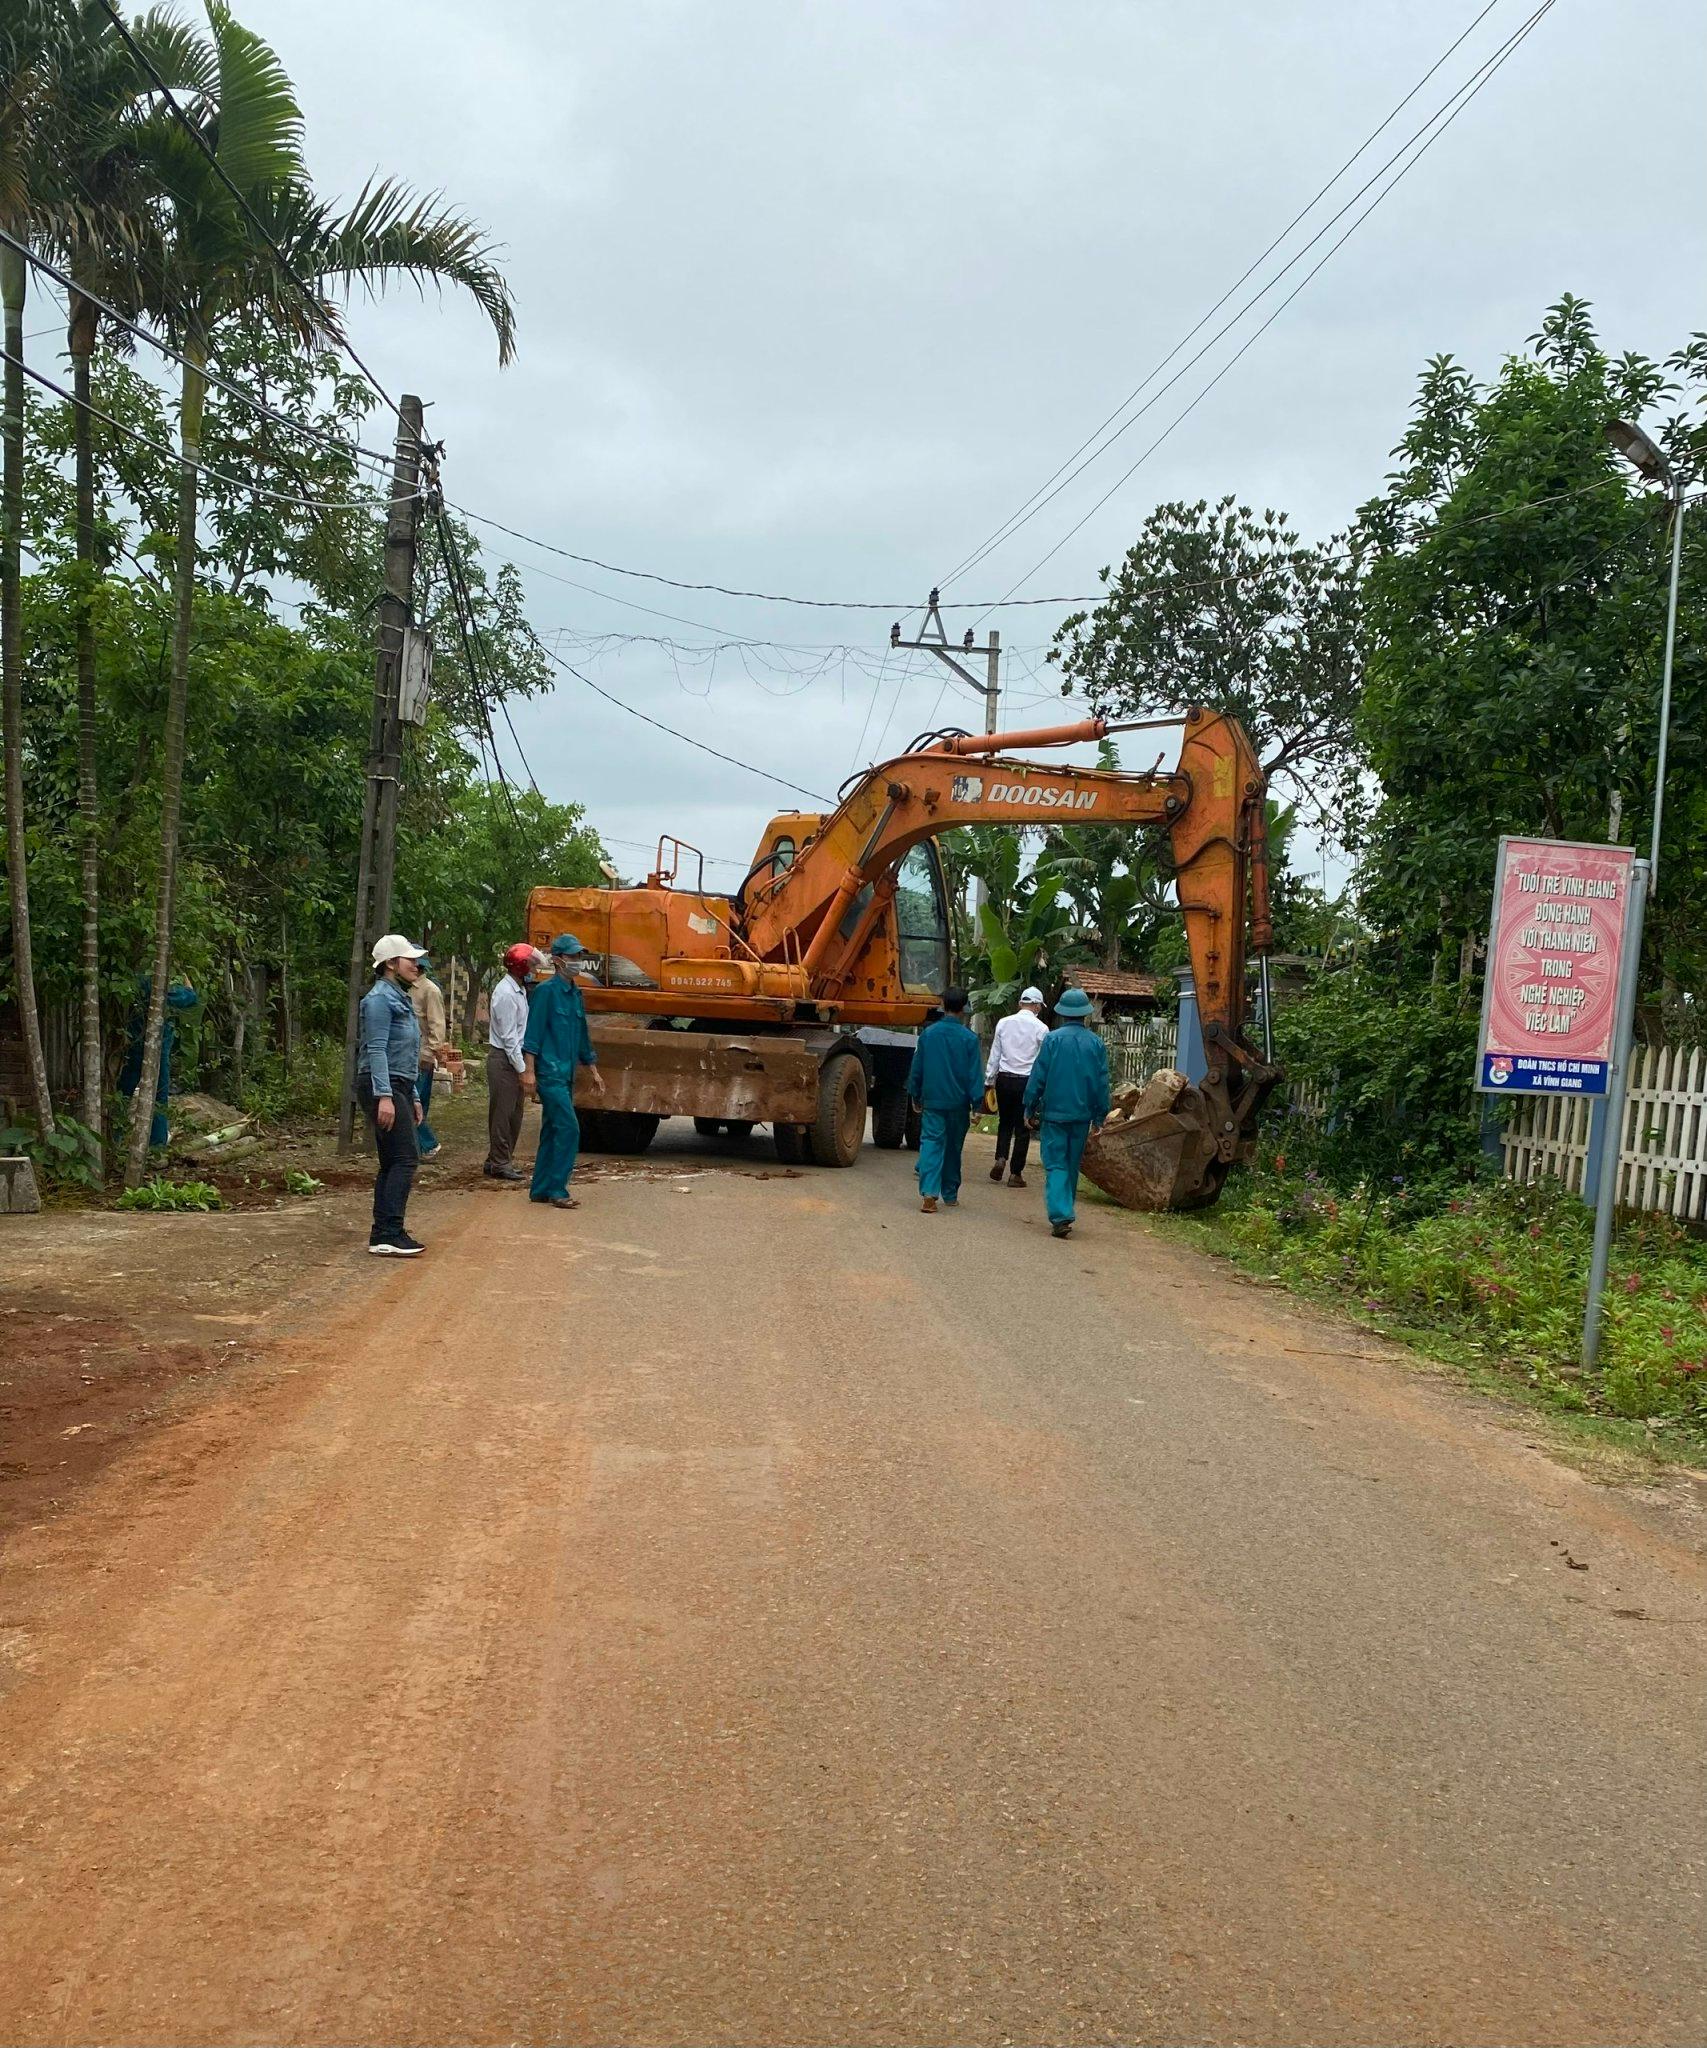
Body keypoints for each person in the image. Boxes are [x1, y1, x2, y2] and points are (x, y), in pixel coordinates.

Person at [356, 934, 428, 1256]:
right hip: (379, 1083)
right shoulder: (378, 1001)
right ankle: (389, 1232)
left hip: (396, 1083)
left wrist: (411, 1094)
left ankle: (383, 1232)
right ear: (389, 963)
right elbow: (377, 1050)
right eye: (409, 959)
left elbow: (405, 1054)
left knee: (392, 1160)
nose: (417, 964)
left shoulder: (399, 998)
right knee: (405, 1157)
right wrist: (384, 1095)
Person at [521, 933, 604, 1209]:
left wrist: (593, 1070)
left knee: (552, 1130)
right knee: (569, 1129)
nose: (577, 961)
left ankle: (541, 1188)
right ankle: (557, 1189)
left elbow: (582, 1036)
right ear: (557, 960)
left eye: (579, 956)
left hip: (566, 1074)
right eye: (572, 956)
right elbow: (532, 1034)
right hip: (549, 1073)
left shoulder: (575, 995)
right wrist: (529, 1071)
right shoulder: (546, 992)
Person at [1023, 985, 1111, 1239]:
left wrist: (1030, 1105)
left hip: (1054, 1115)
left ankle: (1061, 1214)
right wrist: (1099, 1115)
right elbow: (1101, 1082)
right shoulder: (1096, 1044)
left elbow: (1038, 1076)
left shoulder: (1052, 1040)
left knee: (1056, 1164)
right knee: (1071, 1165)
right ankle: (1065, 1209)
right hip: (1081, 1116)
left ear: (1062, 1013)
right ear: (1085, 1014)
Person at [905, 984, 984, 1213]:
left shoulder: (928, 1035)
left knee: (931, 1143)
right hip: (959, 1104)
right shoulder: (969, 1039)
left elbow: (917, 1068)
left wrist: (915, 1094)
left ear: (943, 1005)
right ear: (963, 1008)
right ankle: (950, 1193)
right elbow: (974, 1074)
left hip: (933, 1102)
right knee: (953, 1148)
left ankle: (929, 1193)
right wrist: (977, 1103)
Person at [118, 977, 199, 1149]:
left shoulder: (134, 981)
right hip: (157, 1045)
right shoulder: (158, 985)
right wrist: (185, 976)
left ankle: (113, 1139)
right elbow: (190, 997)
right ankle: (157, 1144)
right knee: (158, 1094)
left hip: (130, 1043)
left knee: (123, 1092)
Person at [986, 985, 1049, 1189]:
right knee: (1023, 1127)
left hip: (1004, 1078)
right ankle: (1015, 1173)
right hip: (1027, 1082)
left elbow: (995, 1054)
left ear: (1021, 1003)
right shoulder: (1042, 1029)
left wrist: (989, 1081)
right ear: (1037, 1006)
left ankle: (1000, 1157)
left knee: (1005, 1122)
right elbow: (1042, 1061)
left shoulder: (1004, 1023)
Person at [485, 942, 535, 1182]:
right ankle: (499, 1162)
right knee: (503, 1115)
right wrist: (522, 1068)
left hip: (512, 1058)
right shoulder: (505, 994)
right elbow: (509, 1037)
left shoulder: (518, 988)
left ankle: (497, 1158)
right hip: (504, 1059)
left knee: (514, 1114)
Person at [410, 954, 452, 1160]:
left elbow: (437, 1024)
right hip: (409, 1056)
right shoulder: (405, 988)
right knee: (417, 1105)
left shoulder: (429, 990)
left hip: (422, 1056)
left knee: (415, 1104)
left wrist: (433, 1052)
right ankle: (417, 1148)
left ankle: (427, 1144)